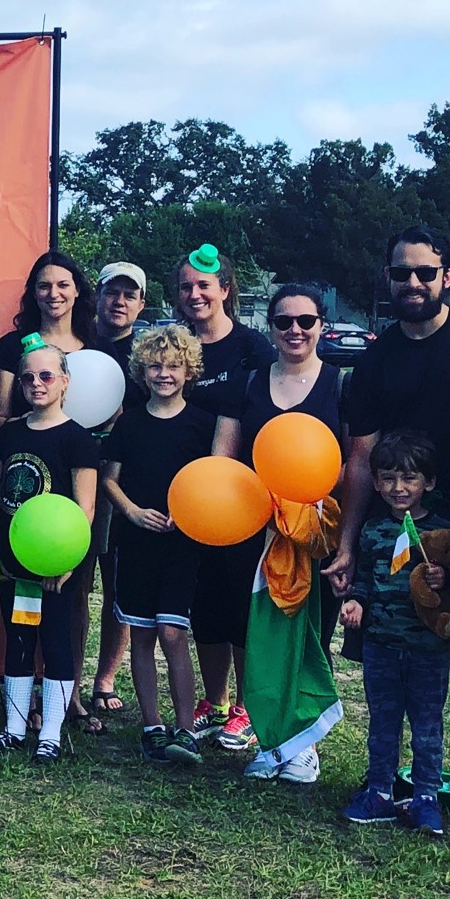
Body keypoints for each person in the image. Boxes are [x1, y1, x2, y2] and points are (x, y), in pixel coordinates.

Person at [326, 225, 450, 834]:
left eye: (423, 272)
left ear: (448, 278)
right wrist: (348, 543)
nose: (411, 283)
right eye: (399, 273)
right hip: (396, 542)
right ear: (387, 281)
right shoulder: (376, 359)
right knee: (391, 668)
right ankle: (385, 783)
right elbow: (360, 459)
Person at [214, 282, 346, 778]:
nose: (294, 330)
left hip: (314, 534)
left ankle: (304, 742)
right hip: (253, 529)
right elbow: (221, 458)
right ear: (270, 326)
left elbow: (351, 465)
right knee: (255, 635)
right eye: (284, 321)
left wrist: (341, 539)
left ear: (320, 326)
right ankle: (268, 739)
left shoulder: (339, 384)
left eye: (306, 321)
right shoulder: (246, 384)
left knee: (310, 634)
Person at [174, 243, 277, 749]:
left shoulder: (253, 349)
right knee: (204, 606)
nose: (195, 294)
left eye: (204, 285)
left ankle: (244, 705)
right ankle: (212, 702)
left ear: (225, 290)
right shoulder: (174, 346)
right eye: (187, 286)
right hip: (187, 500)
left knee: (239, 605)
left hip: (239, 500)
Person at [0, 336, 99, 760]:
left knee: (54, 643)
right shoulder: (8, 434)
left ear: (65, 382)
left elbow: (84, 509)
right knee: (18, 639)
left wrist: (66, 562)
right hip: (14, 564)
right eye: (28, 377)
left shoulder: (78, 439)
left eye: (46, 375)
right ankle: (14, 727)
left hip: (55, 566)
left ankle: (50, 731)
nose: (36, 383)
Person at [102, 325, 210, 767]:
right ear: (141, 372)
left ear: (189, 371)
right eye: (155, 366)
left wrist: (192, 515)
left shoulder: (202, 425)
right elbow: (109, 479)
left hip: (183, 543)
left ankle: (186, 730)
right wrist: (132, 512)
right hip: (136, 540)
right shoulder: (128, 422)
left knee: (173, 633)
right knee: (142, 635)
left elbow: (213, 484)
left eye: (173, 366)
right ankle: (152, 726)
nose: (164, 374)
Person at [340, 431, 450, 838]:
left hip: (428, 650)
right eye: (388, 478)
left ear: (429, 483)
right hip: (381, 646)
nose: (398, 488)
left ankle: (426, 797)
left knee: (427, 725)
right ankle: (379, 793)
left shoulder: (444, 535)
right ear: (375, 483)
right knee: (383, 722)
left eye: (409, 479)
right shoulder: (372, 531)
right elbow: (365, 581)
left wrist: (446, 579)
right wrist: (355, 602)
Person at [83, 261, 148, 711]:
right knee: (73, 586)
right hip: (76, 477)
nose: (119, 301)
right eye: (112, 292)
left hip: (127, 482)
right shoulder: (76, 345)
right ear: (98, 297)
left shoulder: (147, 357)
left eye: (129, 294)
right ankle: (62, 678)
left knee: (117, 588)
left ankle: (104, 680)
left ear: (141, 304)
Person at [0, 251, 95, 419]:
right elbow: (0, 417)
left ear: (77, 290)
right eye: (44, 286)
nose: (53, 294)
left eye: (63, 285)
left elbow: (113, 420)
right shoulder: (11, 346)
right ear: (34, 293)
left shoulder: (99, 347)